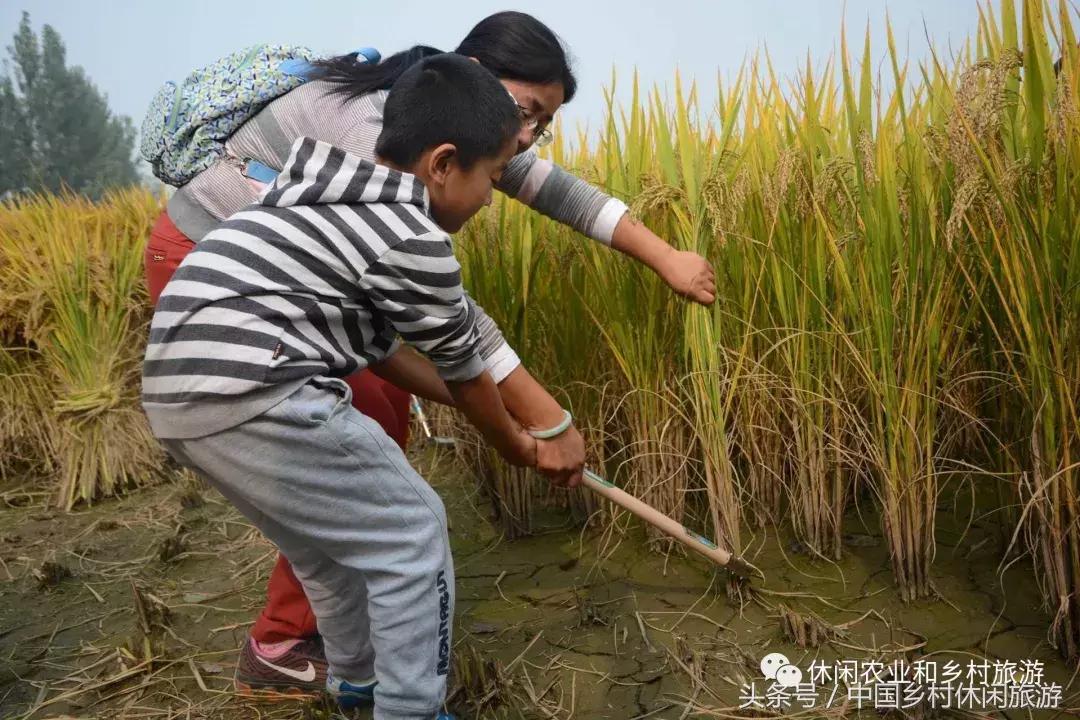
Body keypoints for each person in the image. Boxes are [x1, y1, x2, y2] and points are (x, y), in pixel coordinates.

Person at [141, 10, 716, 698]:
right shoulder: (379, 154)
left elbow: (390, 340)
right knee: (403, 516)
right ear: (468, 101)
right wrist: (537, 428)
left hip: (194, 354)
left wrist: (666, 258)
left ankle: (348, 667)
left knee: (354, 466)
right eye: (526, 115)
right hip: (216, 283)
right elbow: (462, 341)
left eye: (542, 125)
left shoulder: (403, 142)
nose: (526, 142)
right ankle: (356, 672)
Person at [143, 53, 569, 719]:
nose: (490, 197)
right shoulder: (408, 235)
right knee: (413, 531)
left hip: (180, 389)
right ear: (442, 164)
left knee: (326, 552)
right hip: (253, 383)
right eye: (489, 178)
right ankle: (411, 708)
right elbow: (464, 365)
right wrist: (518, 442)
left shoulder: (327, 191)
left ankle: (358, 685)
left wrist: (508, 428)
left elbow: (394, 358)